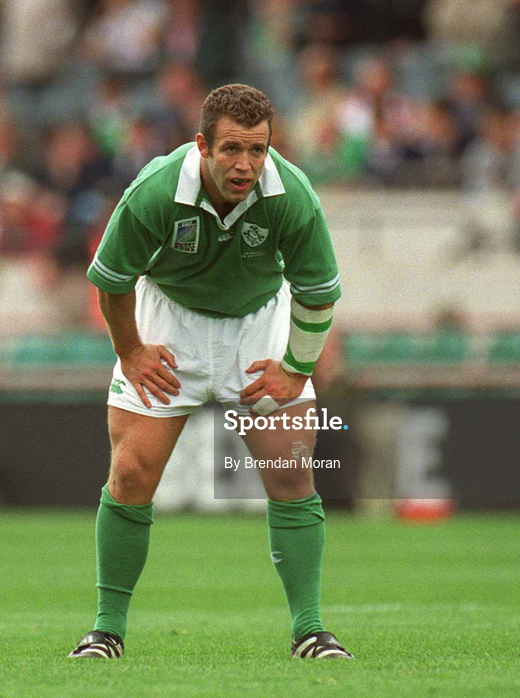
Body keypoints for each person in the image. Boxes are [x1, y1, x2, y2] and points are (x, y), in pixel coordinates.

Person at [70, 84, 351, 660]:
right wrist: (132, 352)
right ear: (202, 146)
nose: (245, 164)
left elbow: (318, 292)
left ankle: (311, 631)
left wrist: (296, 369)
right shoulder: (154, 190)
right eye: (231, 150)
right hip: (170, 325)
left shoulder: (293, 195)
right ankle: (106, 630)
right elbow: (112, 281)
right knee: (130, 474)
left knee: (294, 474)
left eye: (257, 149)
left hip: (259, 323)